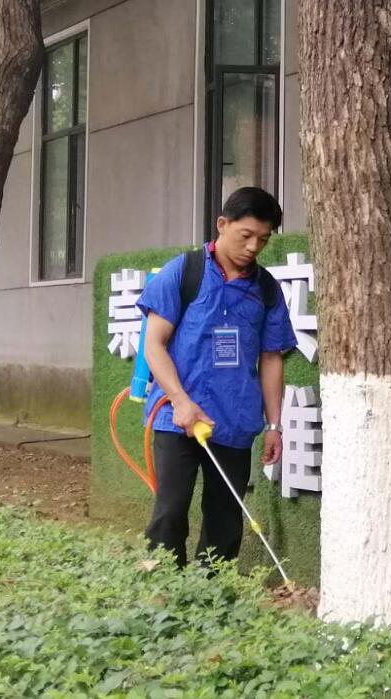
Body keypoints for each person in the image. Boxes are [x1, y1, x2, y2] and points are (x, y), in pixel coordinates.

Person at [138, 186, 297, 567]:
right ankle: (164, 592)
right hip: (176, 417)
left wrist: (274, 425)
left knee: (226, 518)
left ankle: (213, 598)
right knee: (170, 511)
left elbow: (271, 359)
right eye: (246, 236)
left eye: (263, 239)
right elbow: (154, 345)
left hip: (234, 419)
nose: (253, 247)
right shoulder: (184, 272)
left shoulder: (266, 289)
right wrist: (180, 401)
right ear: (222, 225)